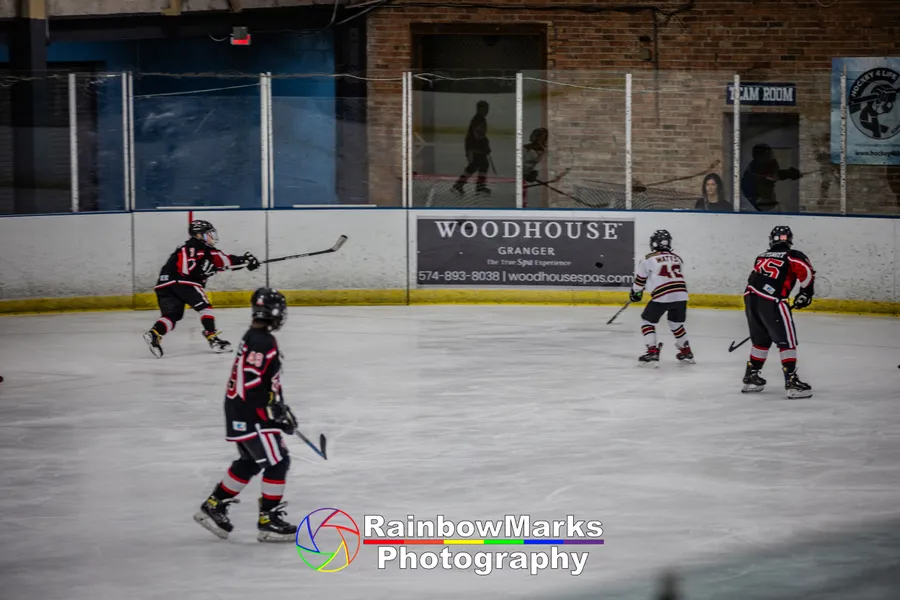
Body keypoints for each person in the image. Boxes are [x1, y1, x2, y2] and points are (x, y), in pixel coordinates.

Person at [194, 287, 299, 542]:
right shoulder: (263, 341)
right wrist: (273, 413)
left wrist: (279, 407)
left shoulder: (254, 336)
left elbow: (259, 381)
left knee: (251, 461)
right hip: (252, 414)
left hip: (241, 410)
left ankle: (214, 505)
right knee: (278, 461)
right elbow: (252, 383)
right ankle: (268, 519)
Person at [143, 220, 260, 358]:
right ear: (199, 235)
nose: (211, 237)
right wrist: (245, 260)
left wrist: (207, 270)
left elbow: (192, 266)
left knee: (172, 315)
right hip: (185, 283)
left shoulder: (183, 248)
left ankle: (155, 333)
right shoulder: (205, 250)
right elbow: (223, 260)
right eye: (208, 234)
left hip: (164, 285)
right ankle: (212, 338)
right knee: (205, 307)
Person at [742, 225, 814, 398]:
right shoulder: (792, 255)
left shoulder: (761, 257)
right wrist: (806, 293)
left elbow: (754, 277)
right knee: (786, 341)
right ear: (789, 240)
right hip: (772, 300)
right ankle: (791, 381)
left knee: (760, 339)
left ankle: (751, 377)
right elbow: (807, 272)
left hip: (750, 297)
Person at [630, 230, 694, 366]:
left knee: (647, 321)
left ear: (653, 243)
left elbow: (640, 280)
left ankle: (652, 351)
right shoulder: (677, 258)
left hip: (663, 295)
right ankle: (685, 349)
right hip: (681, 294)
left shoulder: (648, 259)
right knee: (676, 323)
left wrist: (636, 292)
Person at [740, 144, 800, 212]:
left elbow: (773, 175)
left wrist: (788, 174)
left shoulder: (759, 168)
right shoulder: (755, 172)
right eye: (769, 156)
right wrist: (788, 174)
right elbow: (771, 175)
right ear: (760, 157)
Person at [452, 100, 492, 196]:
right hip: (474, 148)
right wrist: (485, 144)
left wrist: (485, 144)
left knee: (480, 165)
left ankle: (464, 185)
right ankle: (464, 185)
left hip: (475, 147)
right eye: (484, 109)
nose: (487, 111)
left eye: (487, 109)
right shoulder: (478, 119)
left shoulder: (480, 119)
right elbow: (478, 135)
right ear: (479, 109)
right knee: (476, 166)